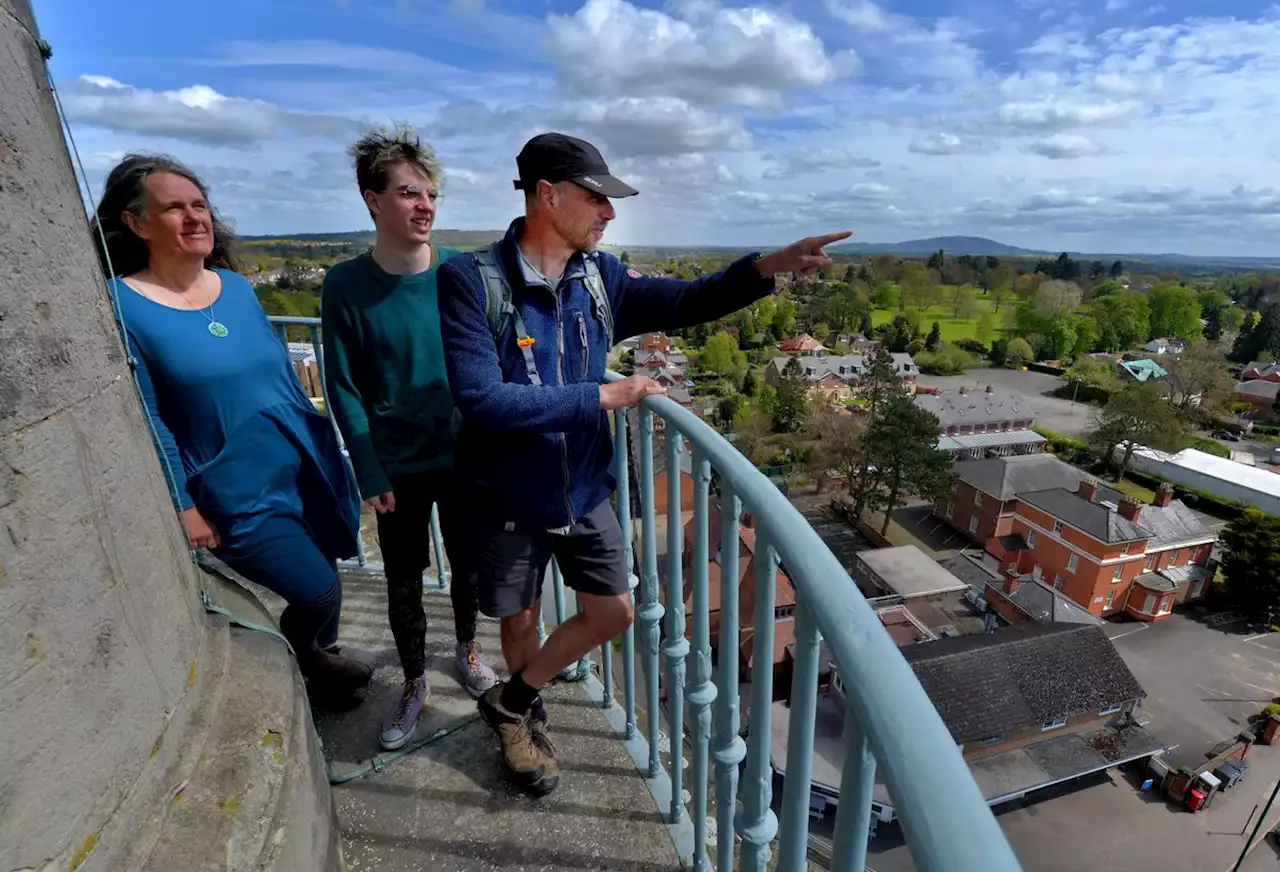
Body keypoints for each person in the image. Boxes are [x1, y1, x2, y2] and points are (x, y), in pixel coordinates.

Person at [437, 132, 850, 795]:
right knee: (518, 620)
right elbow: (482, 400)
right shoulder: (471, 281)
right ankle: (524, 721)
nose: (610, 213)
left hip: (586, 488)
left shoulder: (600, 277)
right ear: (549, 195)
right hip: (507, 495)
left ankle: (510, 700)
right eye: (597, 197)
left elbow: (687, 301)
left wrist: (768, 266)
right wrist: (605, 394)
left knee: (614, 612)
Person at [95, 154, 369, 705]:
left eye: (201, 205)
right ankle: (307, 664)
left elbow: (272, 377)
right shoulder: (121, 305)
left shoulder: (235, 288)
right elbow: (149, 418)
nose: (197, 217)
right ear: (136, 223)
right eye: (175, 208)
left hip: (302, 462)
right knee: (316, 591)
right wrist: (183, 505)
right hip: (235, 488)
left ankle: (323, 668)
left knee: (330, 564)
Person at [321, 128, 498, 751]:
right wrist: (368, 468)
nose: (424, 205)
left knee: (469, 564)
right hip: (397, 461)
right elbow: (341, 383)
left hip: (465, 451)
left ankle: (469, 651)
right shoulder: (346, 284)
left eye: (431, 194)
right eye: (407, 193)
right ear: (373, 201)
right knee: (403, 577)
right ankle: (416, 682)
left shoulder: (460, 269)